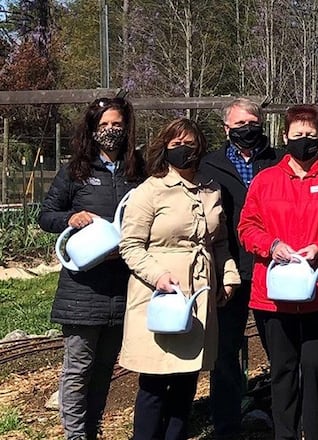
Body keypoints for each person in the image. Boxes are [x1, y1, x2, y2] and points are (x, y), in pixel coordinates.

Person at [238, 104, 318, 439]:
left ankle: (316, 431)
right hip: (275, 294)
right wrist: (272, 245)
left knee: (316, 364)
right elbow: (247, 226)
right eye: (297, 135)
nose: (303, 140)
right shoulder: (266, 181)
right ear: (284, 137)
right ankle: (285, 434)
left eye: (310, 135)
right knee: (283, 369)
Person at [118, 118, 241, 440]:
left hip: (199, 291)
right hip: (160, 295)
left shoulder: (211, 189)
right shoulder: (149, 191)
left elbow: (219, 241)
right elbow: (129, 245)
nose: (184, 150)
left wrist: (228, 277)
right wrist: (158, 276)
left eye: (189, 144)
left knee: (187, 378)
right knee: (155, 382)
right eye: (176, 145)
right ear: (164, 149)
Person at [38, 96, 143, 440]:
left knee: (105, 368)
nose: (111, 130)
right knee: (78, 366)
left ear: (126, 127)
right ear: (92, 129)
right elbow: (46, 215)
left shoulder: (136, 170)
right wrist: (72, 217)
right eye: (104, 125)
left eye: (117, 124)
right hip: (83, 289)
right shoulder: (76, 171)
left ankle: (93, 428)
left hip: (122, 284)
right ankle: (75, 435)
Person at [199, 97, 283, 439]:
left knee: (281, 350)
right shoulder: (210, 166)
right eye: (239, 125)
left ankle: (285, 422)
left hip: (273, 268)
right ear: (226, 129)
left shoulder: (278, 160)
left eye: (253, 123)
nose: (247, 130)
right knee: (225, 355)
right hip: (229, 271)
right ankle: (227, 427)